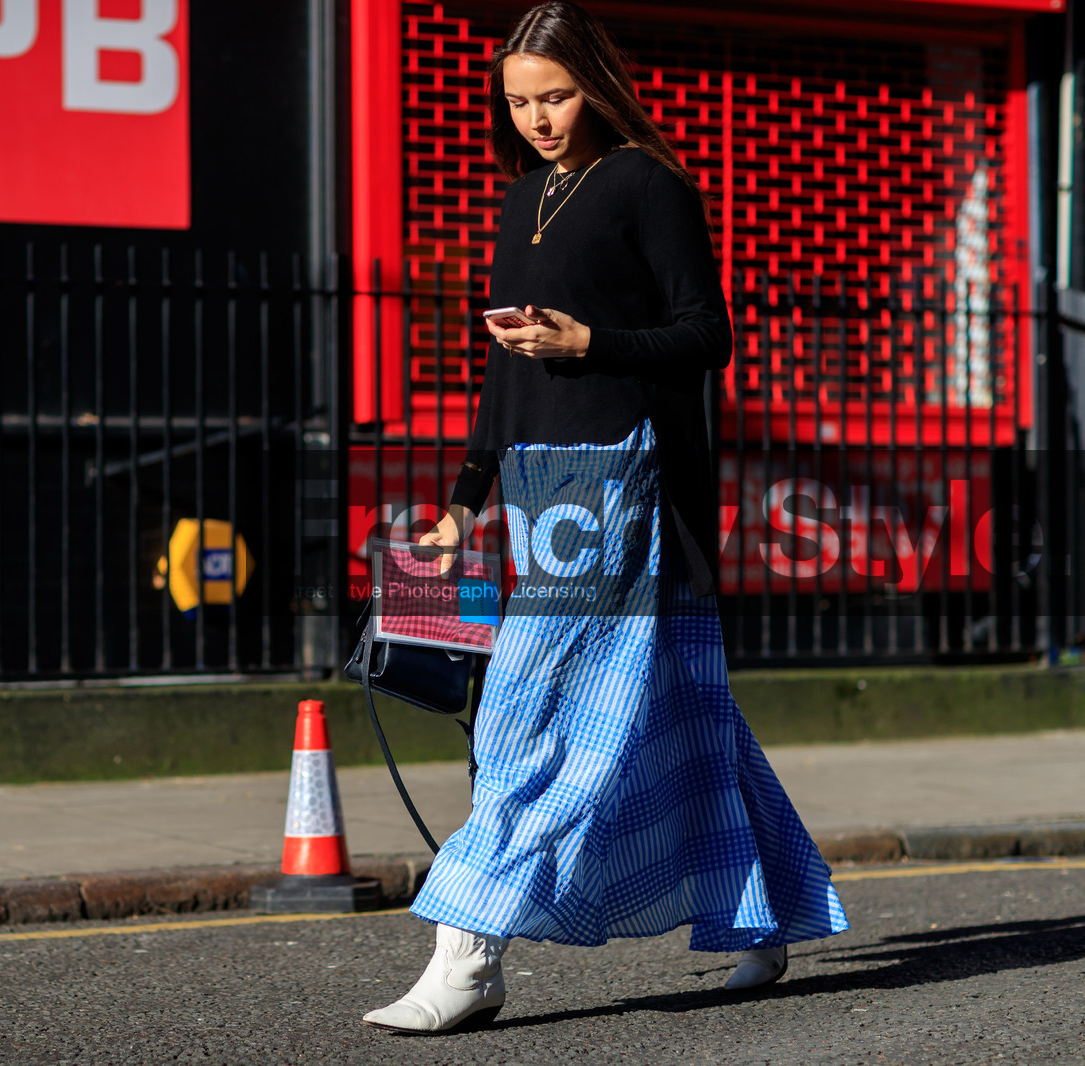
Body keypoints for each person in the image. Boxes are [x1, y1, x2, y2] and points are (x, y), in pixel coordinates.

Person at [361, 1, 849, 1035]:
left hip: (624, 477)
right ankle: (757, 913)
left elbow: (705, 334)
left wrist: (592, 341)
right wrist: (461, 504)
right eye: (520, 102)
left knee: (518, 716)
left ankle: (469, 955)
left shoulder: (646, 182)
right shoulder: (519, 199)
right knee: (684, 710)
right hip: (543, 483)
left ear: (596, 81)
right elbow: (502, 374)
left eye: (556, 94)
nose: (538, 118)